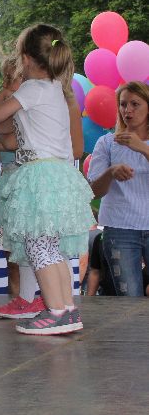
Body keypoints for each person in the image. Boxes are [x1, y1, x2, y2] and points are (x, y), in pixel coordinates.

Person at [0, 24, 95, 335]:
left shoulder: (32, 89)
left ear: (26, 58)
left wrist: (7, 89)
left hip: (40, 174)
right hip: (59, 174)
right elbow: (15, 130)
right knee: (51, 248)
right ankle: (66, 309)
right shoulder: (56, 89)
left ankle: (56, 311)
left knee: (38, 246)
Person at [0, 56, 46, 319]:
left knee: (30, 245)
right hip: (11, 178)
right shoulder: (13, 103)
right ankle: (20, 298)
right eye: (7, 78)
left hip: (28, 177)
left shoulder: (30, 105)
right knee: (12, 250)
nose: (9, 83)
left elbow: (8, 134)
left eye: (15, 77)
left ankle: (32, 299)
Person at [87, 81, 149, 296]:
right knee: (129, 300)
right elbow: (93, 192)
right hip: (119, 229)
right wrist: (111, 172)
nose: (127, 110)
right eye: (123, 104)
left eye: (135, 104)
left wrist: (142, 148)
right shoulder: (106, 143)